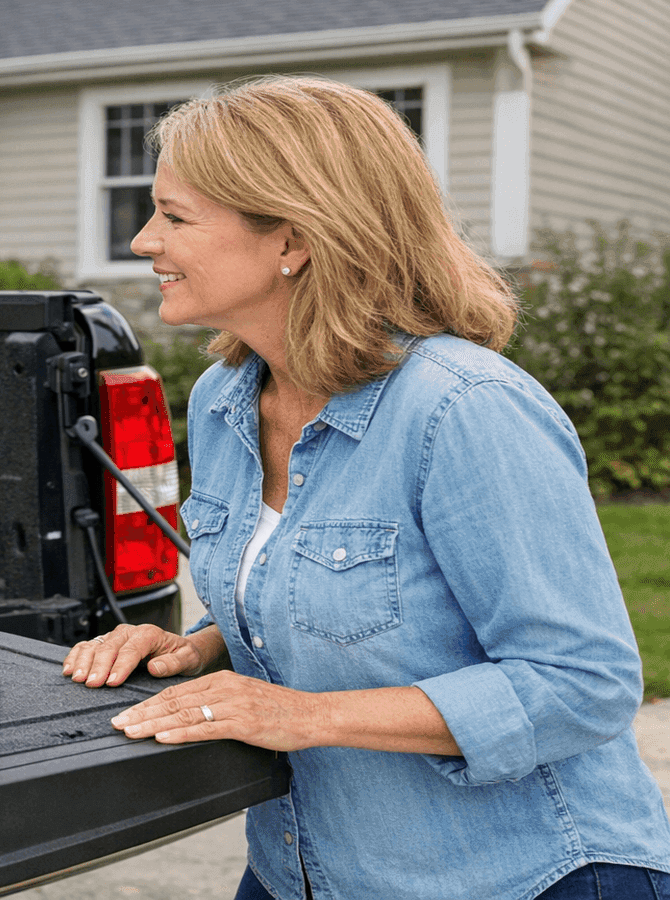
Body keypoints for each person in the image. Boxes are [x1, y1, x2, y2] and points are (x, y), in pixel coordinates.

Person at [60, 75, 670, 899]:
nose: (142, 240)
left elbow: (582, 684)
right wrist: (199, 648)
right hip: (303, 871)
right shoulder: (224, 400)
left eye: (174, 216)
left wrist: (302, 717)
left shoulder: (464, 409)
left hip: (523, 875)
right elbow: (310, 592)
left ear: (294, 239)